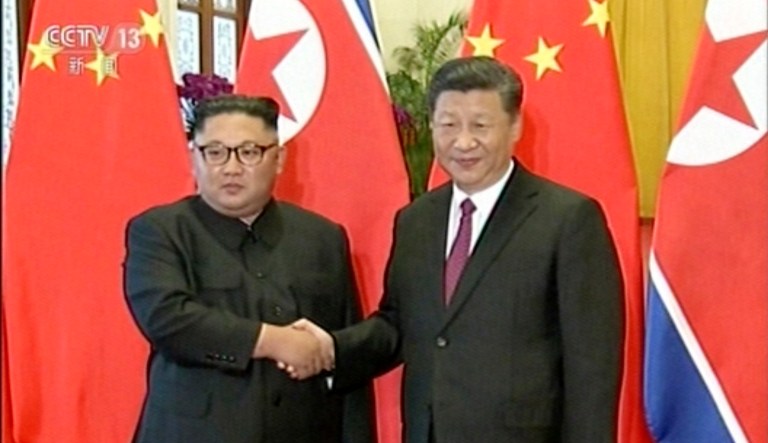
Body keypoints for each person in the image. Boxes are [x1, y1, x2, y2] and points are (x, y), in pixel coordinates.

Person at [294, 56, 624, 442]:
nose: (463, 142)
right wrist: (332, 348)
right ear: (432, 125)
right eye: (448, 125)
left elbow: (593, 365)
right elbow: (400, 325)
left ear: (515, 125)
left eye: (481, 126)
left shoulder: (568, 219)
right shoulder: (416, 220)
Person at [123, 94, 374, 443]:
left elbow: (346, 353)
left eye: (249, 152)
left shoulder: (322, 237)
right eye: (215, 152)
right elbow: (168, 320)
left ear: (279, 158)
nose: (231, 167)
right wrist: (274, 341)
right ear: (194, 157)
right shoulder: (160, 230)